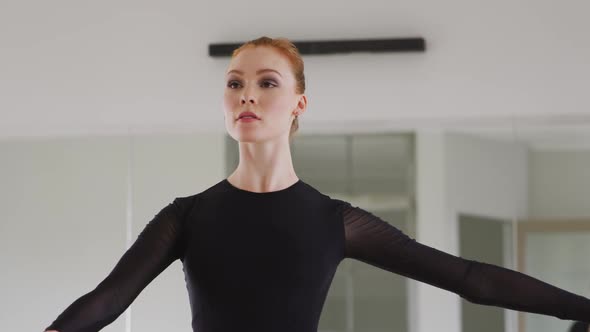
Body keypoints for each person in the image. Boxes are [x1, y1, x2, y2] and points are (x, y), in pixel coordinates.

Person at [44, 36, 590, 332]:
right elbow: (106, 303)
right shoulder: (185, 217)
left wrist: (584, 309)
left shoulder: (334, 222)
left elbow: (471, 279)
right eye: (235, 83)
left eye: (266, 82)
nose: (247, 95)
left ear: (299, 104)